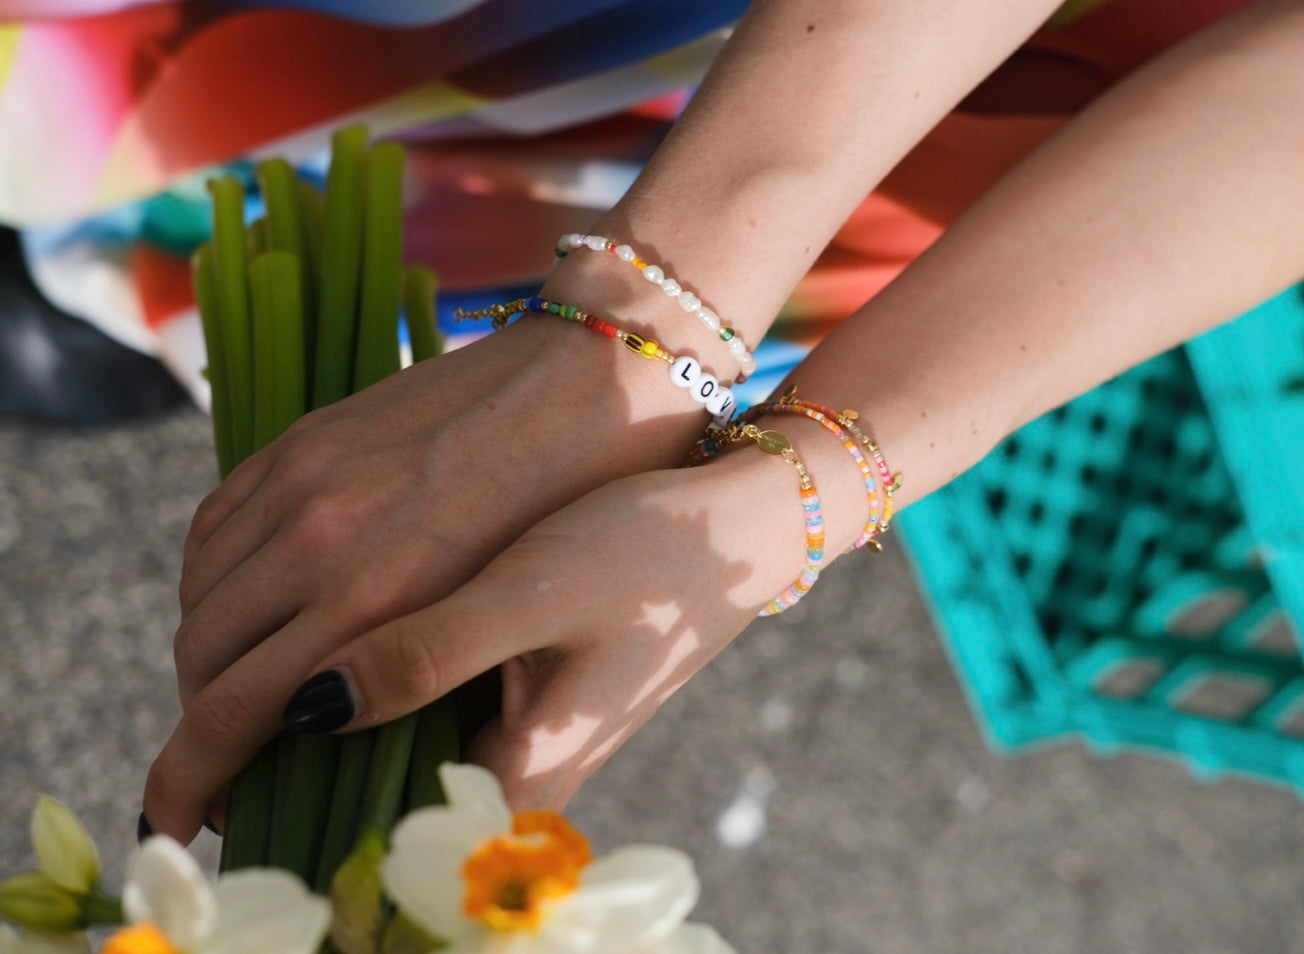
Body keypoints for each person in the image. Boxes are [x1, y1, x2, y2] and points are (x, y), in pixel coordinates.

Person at [140, 0, 1304, 841]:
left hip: (957, 135)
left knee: (148, 254)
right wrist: (642, 321)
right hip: (792, 102)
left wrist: (771, 505)